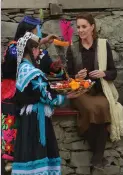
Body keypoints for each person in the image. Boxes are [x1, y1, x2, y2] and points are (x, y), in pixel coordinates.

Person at [66, 13, 123, 173]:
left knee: (104, 106)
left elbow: (113, 73)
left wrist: (103, 74)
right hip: (80, 92)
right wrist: (76, 77)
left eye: (84, 26)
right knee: (91, 109)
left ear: (92, 27)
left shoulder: (102, 45)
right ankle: (98, 156)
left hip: (100, 91)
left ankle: (97, 158)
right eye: (78, 27)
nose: (80, 30)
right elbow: (67, 77)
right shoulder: (72, 48)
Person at [1, 16, 63, 173]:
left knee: (30, 143)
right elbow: (20, 53)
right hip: (12, 97)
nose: (40, 34)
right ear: (28, 34)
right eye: (37, 32)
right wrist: (39, 42)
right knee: (12, 142)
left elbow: (47, 66)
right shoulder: (13, 48)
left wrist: (55, 68)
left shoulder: (39, 51)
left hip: (33, 97)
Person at [11, 32, 79, 175]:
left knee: (27, 154)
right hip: (36, 120)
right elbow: (47, 97)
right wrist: (67, 96)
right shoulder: (34, 73)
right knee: (38, 153)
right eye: (37, 49)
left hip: (25, 120)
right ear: (32, 50)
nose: (39, 53)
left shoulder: (22, 69)